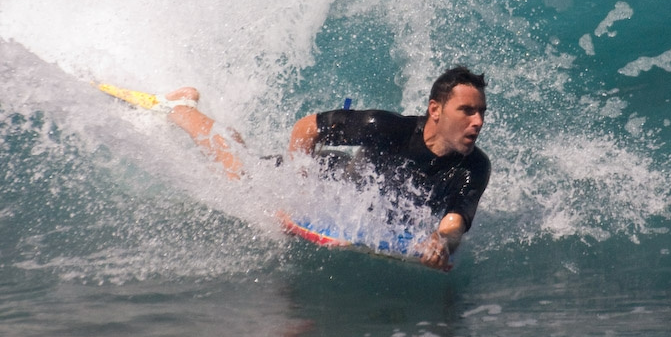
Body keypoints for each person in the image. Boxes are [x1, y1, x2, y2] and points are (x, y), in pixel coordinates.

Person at [161, 66, 491, 271]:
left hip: (347, 188)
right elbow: (306, 128)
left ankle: (224, 133)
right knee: (237, 172)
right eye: (466, 110)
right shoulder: (386, 128)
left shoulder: (474, 167)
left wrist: (440, 243)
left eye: (481, 112)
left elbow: (454, 223)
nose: (477, 121)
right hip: (323, 174)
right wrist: (297, 193)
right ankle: (182, 108)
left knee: (242, 160)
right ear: (435, 109)